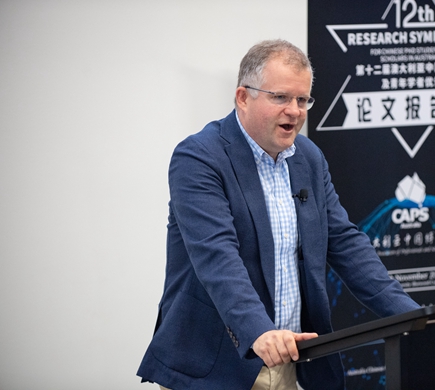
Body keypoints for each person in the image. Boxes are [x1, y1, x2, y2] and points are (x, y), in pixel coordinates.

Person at [137, 39, 420, 390]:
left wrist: (412, 316)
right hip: (214, 365)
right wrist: (259, 331)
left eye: (302, 100)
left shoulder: (308, 157)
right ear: (243, 97)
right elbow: (217, 257)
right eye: (281, 97)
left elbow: (345, 243)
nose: (295, 111)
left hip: (288, 361)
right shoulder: (198, 157)